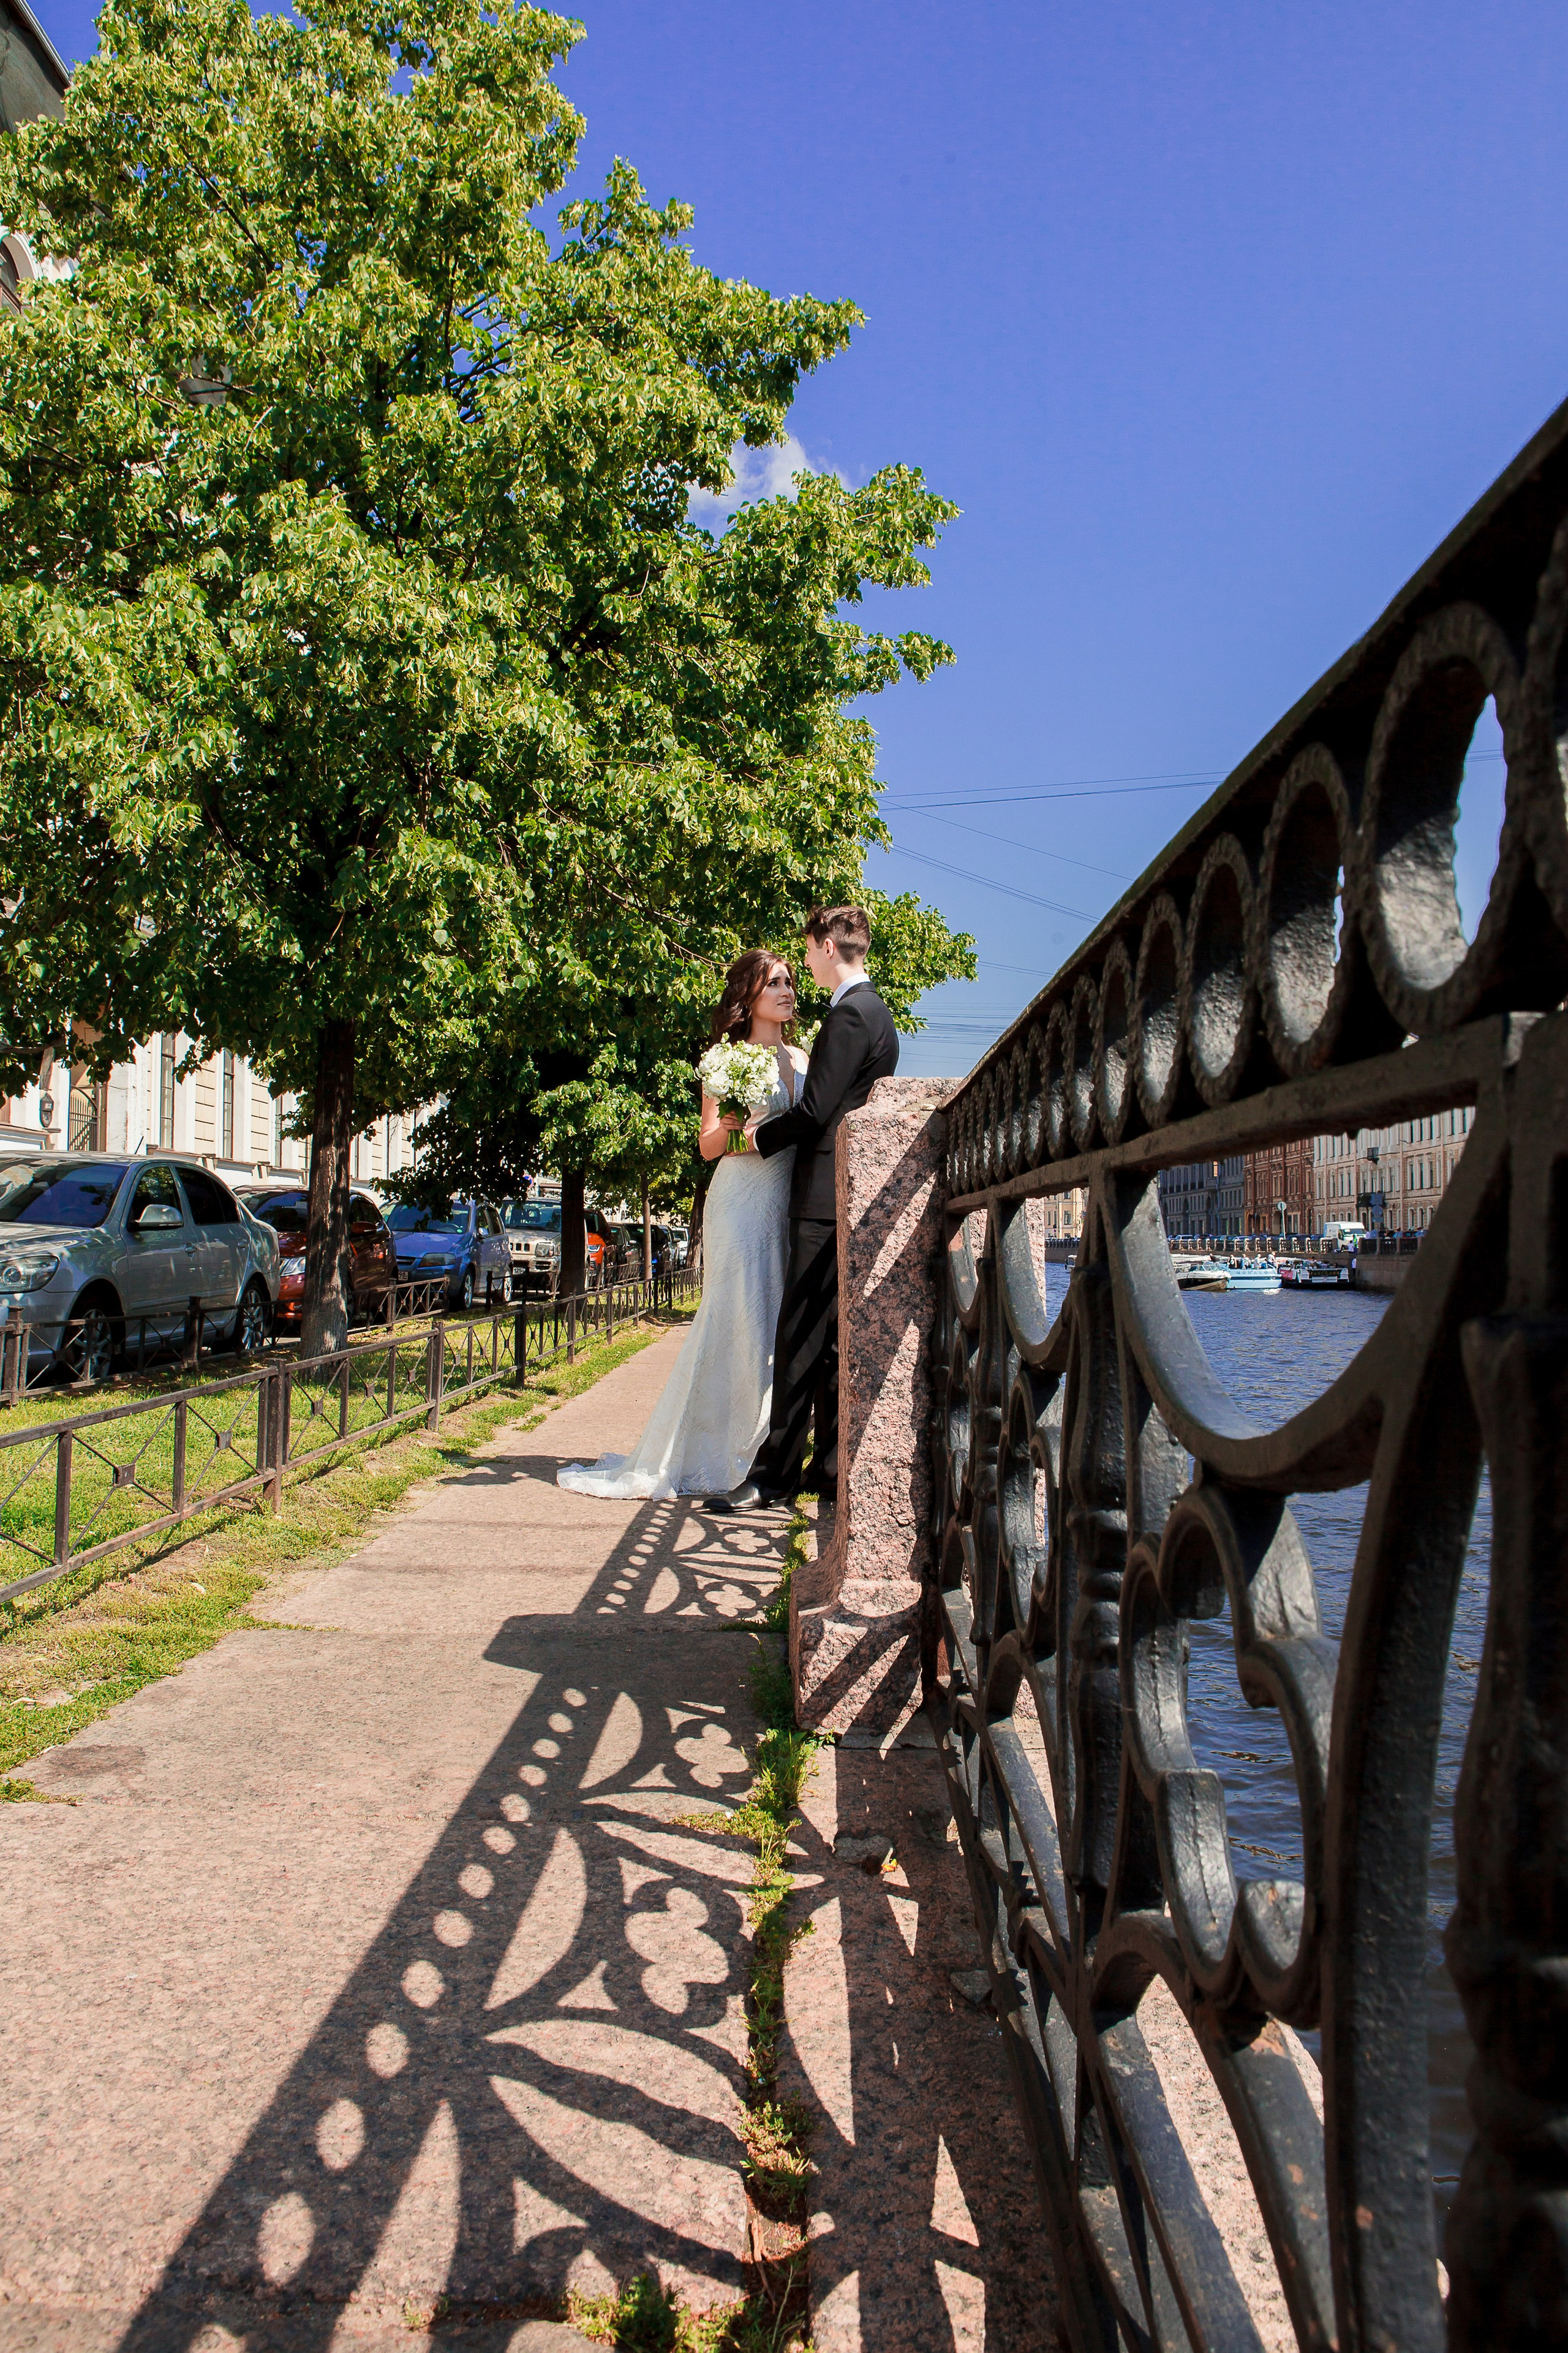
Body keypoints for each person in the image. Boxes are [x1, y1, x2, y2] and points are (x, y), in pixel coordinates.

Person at [556, 952, 805, 1500]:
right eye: (775, 982)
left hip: (787, 1203)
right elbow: (710, 1144)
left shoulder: (803, 1058)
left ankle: (770, 1451)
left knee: (775, 1323)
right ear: (751, 995)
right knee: (739, 1320)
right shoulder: (726, 1060)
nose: (788, 990)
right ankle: (726, 1454)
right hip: (740, 1203)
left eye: (791, 981)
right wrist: (743, 1130)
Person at [705, 904, 897, 1515]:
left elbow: (815, 1112)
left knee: (799, 1338)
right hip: (833, 1194)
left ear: (825, 946)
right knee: (830, 1339)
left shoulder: (848, 1015)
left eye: (808, 952)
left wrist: (756, 1137)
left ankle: (774, 1477)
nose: (805, 965)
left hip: (819, 1198)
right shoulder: (879, 1013)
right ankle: (830, 1466)